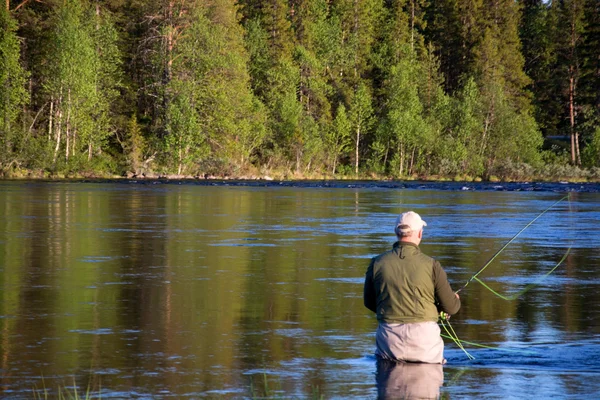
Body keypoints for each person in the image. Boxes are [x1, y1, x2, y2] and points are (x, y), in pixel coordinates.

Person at [363, 211, 460, 364]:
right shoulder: (432, 265)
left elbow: (369, 302)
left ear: (396, 232)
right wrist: (453, 300)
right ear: (420, 233)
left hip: (389, 340)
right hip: (425, 343)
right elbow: (452, 308)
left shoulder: (376, 263)